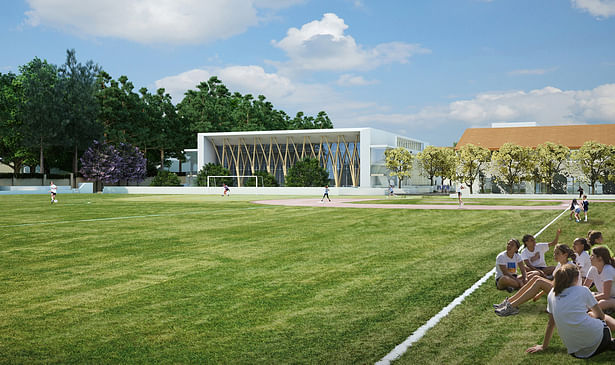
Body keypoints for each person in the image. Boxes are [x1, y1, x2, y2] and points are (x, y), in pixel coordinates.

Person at [526, 263, 615, 358]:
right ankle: (608, 341)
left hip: (575, 352)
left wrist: (544, 346)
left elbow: (551, 323)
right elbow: (601, 316)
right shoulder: (583, 290)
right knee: (595, 315)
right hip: (599, 339)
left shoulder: (552, 294)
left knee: (589, 315)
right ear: (577, 278)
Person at [495, 244, 577, 316]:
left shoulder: (570, 267)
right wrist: (539, 294)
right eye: (554, 253)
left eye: (557, 253)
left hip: (566, 297)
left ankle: (512, 306)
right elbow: (554, 283)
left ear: (565, 254)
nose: (554, 255)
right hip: (561, 293)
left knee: (539, 281)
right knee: (536, 278)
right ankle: (509, 302)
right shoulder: (560, 264)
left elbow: (568, 288)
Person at [585, 247, 615, 313]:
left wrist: (589, 299)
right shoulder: (593, 269)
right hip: (602, 295)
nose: (590, 257)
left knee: (602, 303)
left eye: (592, 255)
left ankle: (585, 313)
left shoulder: (608, 270)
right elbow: (585, 288)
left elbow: (606, 295)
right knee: (589, 295)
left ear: (600, 258)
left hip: (612, 298)